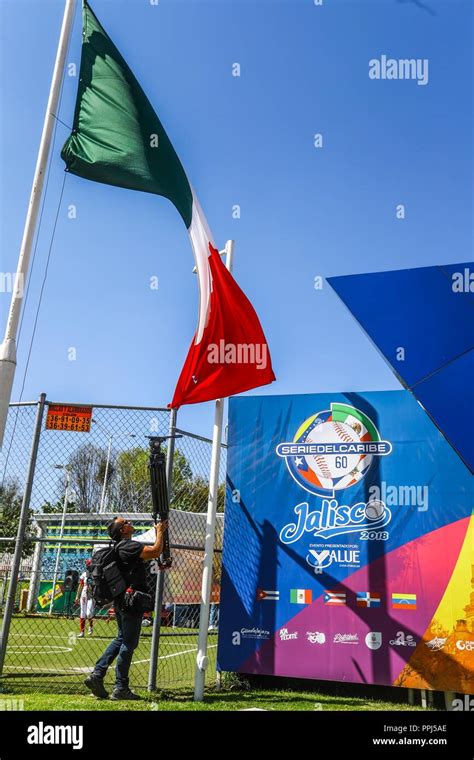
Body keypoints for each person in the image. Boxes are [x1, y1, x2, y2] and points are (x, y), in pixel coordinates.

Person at [84, 516, 168, 701]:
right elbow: (154, 550)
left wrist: (158, 562)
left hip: (122, 600)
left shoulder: (120, 548)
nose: (130, 523)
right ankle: (121, 687)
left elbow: (140, 563)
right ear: (123, 530)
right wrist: (160, 531)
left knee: (121, 638)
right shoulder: (129, 545)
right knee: (129, 643)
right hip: (131, 602)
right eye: (126, 522)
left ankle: (97, 675)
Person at [75, 559, 95, 637]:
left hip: (91, 594)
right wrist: (77, 596)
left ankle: (90, 626)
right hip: (84, 593)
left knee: (89, 614)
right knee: (82, 614)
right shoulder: (84, 574)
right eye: (88, 565)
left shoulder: (95, 574)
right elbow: (81, 585)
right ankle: (82, 632)